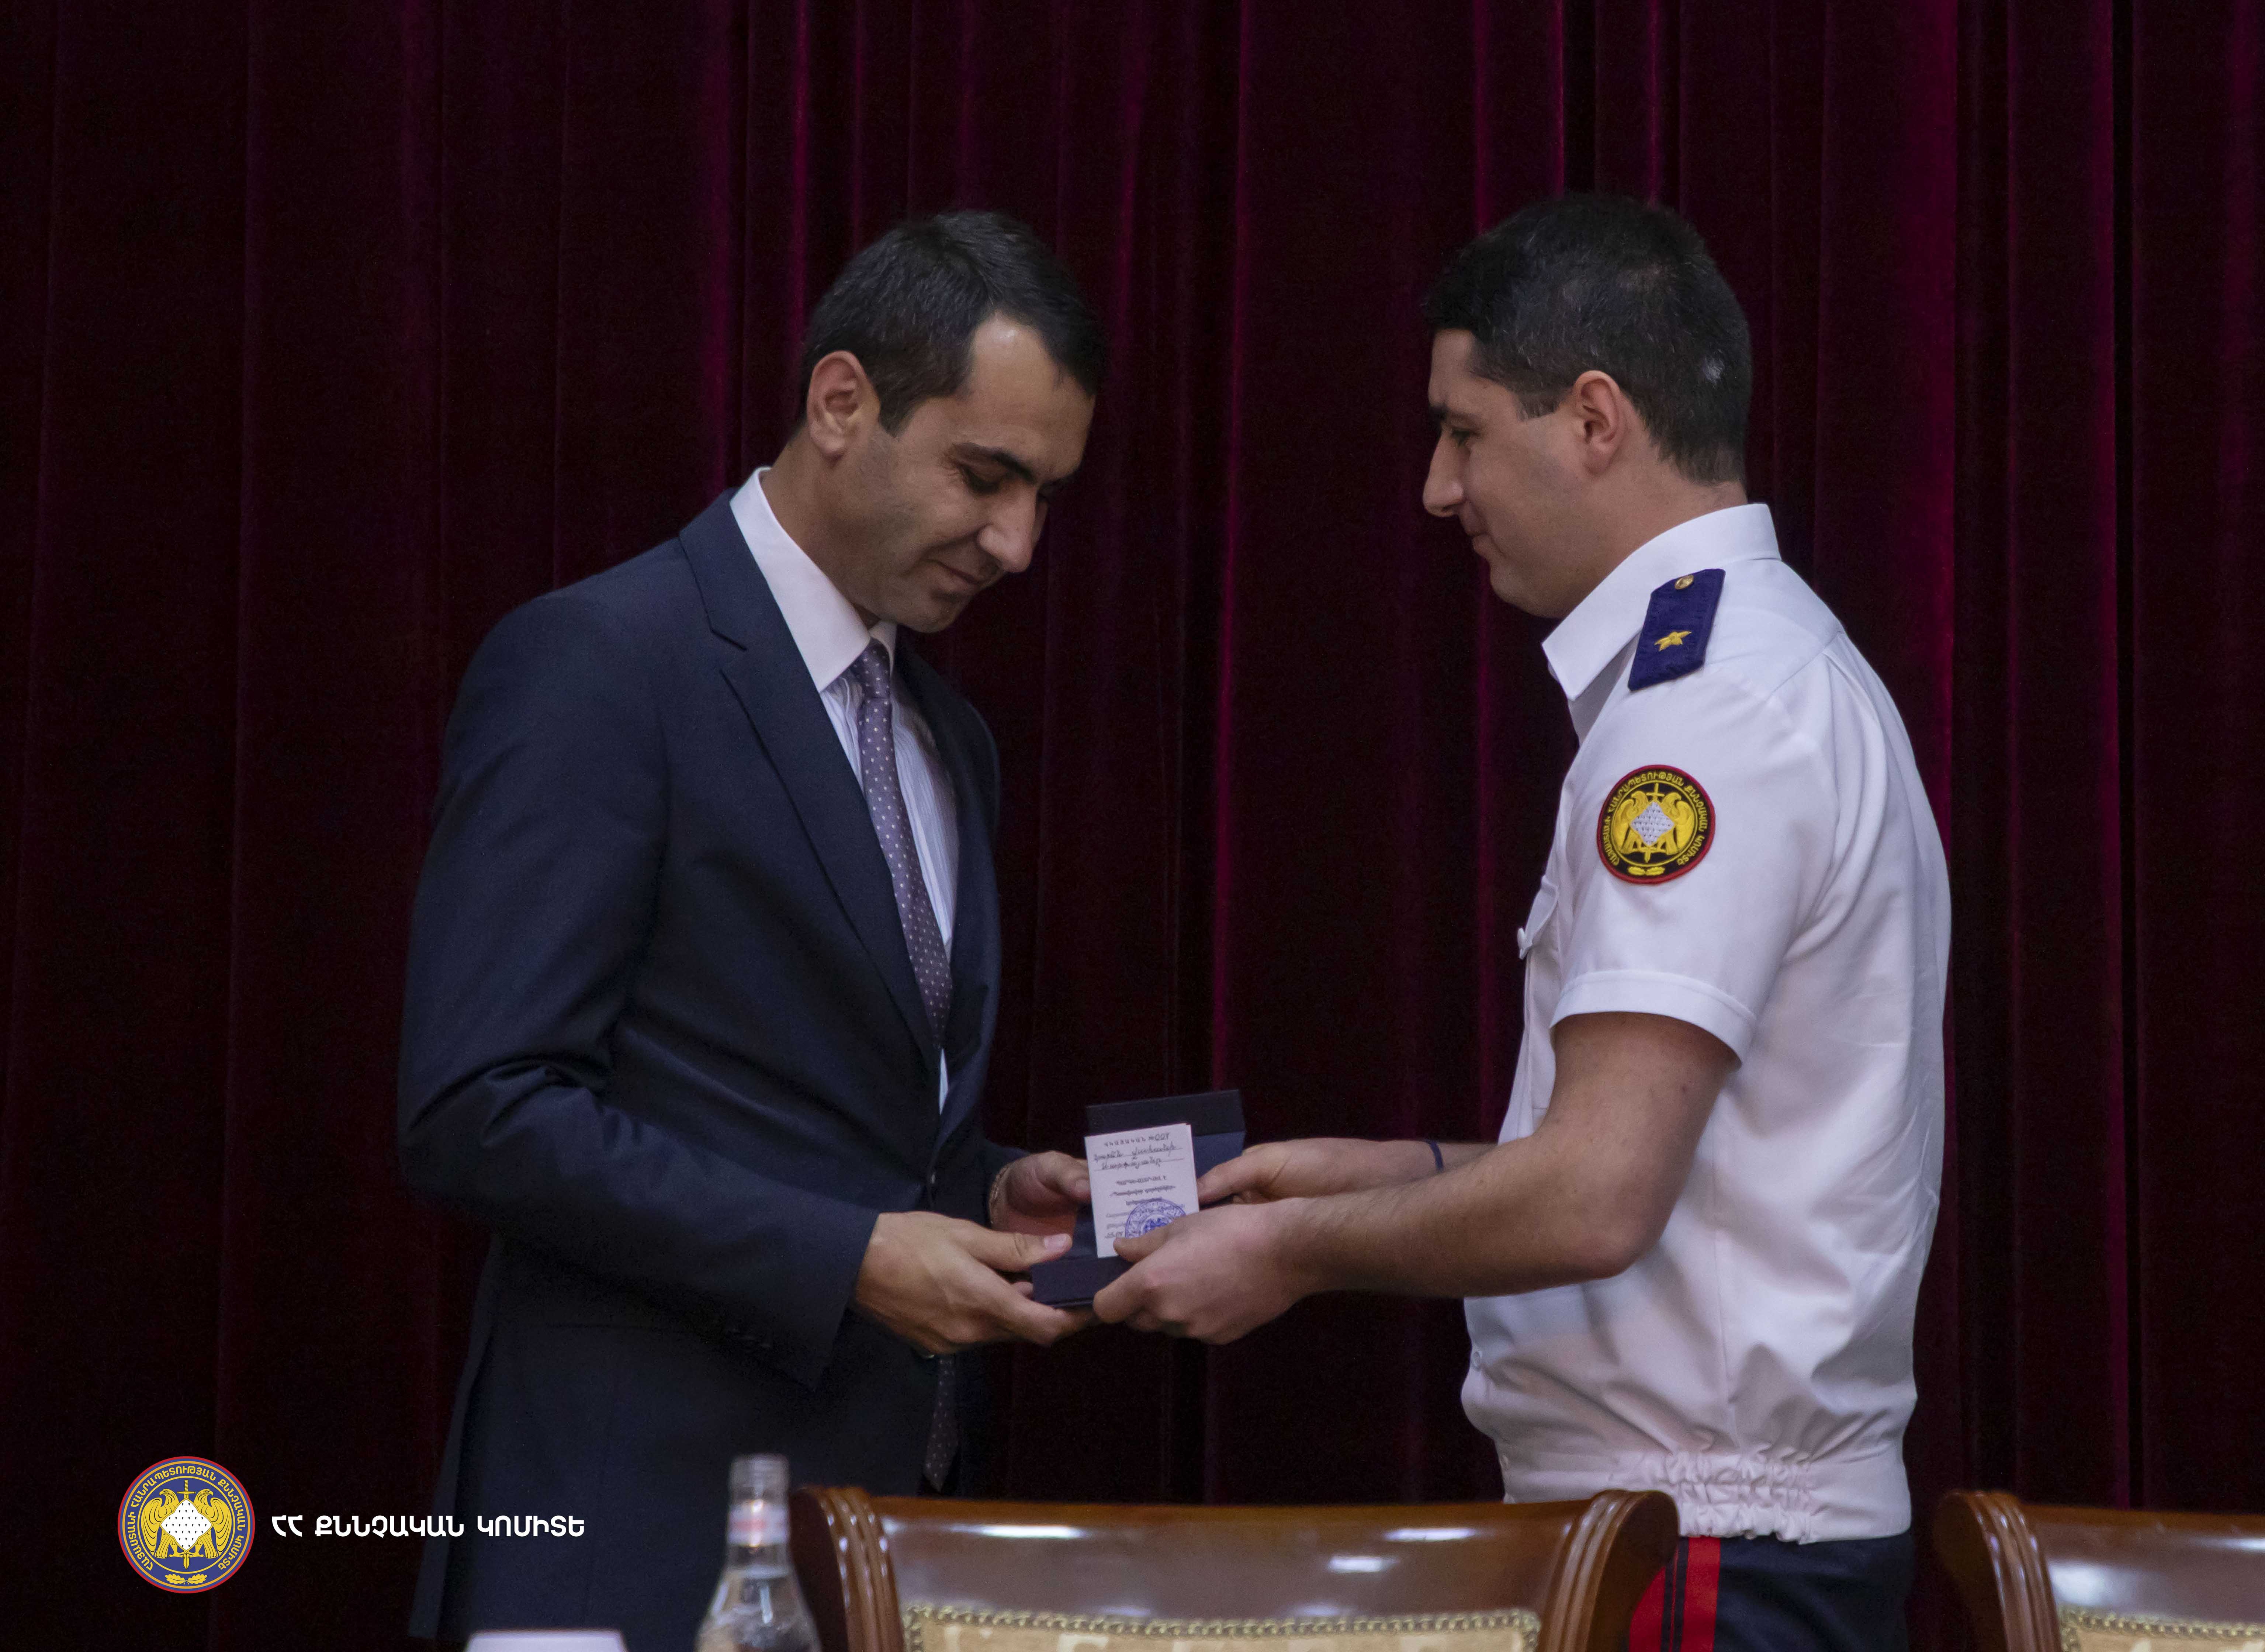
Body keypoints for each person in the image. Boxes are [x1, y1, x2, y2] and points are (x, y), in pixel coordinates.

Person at [1096, 195, 1949, 1652]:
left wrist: (1297, 1250)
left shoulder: (1705, 714)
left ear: (1595, 420)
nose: (1439, 488)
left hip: (1704, 1547)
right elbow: (1688, 1169)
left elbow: (1597, 1195)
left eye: (1466, 432)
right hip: (1713, 1530)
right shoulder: (1754, 665)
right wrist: (1376, 1173)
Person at [399, 211, 1101, 1652]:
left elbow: (843, 1128)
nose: (1019, 544)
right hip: (628, 1547)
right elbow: (479, 1108)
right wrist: (848, 1257)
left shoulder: (951, 737)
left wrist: (986, 1190)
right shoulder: (604, 664)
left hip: (881, 1554)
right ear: (840, 403)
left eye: (1046, 496)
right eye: (987, 476)